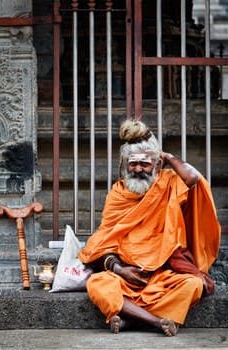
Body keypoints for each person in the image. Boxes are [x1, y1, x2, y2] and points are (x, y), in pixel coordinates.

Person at [78, 119, 221, 336]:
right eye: (132, 163)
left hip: (163, 275)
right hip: (126, 276)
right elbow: (102, 242)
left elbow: (193, 179)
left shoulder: (168, 182)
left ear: (156, 165)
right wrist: (120, 270)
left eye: (145, 164)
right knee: (98, 283)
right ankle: (157, 322)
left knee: (193, 284)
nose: (138, 169)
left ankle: (131, 320)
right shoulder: (118, 193)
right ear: (125, 165)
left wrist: (166, 155)